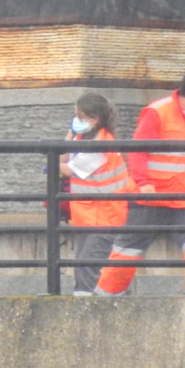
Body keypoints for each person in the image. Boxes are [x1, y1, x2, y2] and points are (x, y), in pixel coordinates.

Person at [95, 67, 185, 296]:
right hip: (151, 198)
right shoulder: (158, 112)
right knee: (126, 255)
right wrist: (143, 184)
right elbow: (138, 150)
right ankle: (102, 301)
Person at [58, 93, 134, 296]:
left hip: (105, 216)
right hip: (91, 215)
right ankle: (91, 301)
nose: (76, 120)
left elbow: (69, 169)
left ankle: (90, 305)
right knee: (86, 265)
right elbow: (62, 155)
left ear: (94, 119)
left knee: (88, 266)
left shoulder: (100, 145)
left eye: (79, 117)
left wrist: (51, 165)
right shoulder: (85, 136)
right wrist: (71, 132)